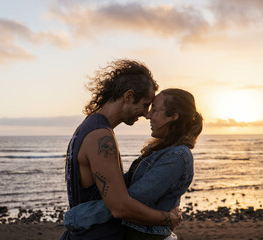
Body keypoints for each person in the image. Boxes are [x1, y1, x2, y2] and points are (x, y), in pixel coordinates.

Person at [60, 60, 182, 240]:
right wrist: (167, 218)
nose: (146, 114)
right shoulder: (100, 136)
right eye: (145, 104)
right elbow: (120, 207)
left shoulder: (91, 127)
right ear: (129, 96)